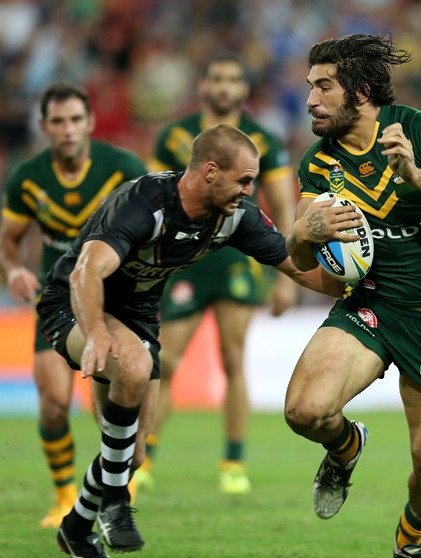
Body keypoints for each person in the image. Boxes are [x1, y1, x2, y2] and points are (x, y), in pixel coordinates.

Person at [37, 124, 342, 558]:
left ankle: (76, 529)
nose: (248, 189)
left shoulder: (235, 217)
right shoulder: (142, 203)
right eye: (243, 179)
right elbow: (87, 270)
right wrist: (98, 335)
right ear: (211, 172)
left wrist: (361, 289)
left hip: (137, 315)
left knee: (133, 454)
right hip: (74, 301)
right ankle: (115, 503)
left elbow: (297, 267)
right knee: (134, 367)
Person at [283, 34, 421, 558]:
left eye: (324, 87)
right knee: (304, 412)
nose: (310, 99)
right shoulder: (319, 163)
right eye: (309, 86)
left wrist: (416, 176)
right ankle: (346, 446)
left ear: (360, 92)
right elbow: (310, 260)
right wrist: (301, 235)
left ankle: (411, 536)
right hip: (371, 308)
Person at [142, 52, 298, 494]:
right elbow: (150, 196)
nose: (225, 86)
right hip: (182, 259)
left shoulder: (264, 139)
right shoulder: (174, 136)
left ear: (244, 89)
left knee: (233, 360)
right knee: (166, 361)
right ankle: (146, 457)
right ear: (203, 86)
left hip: (237, 257)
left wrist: (287, 273)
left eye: (233, 79)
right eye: (217, 78)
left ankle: (233, 462)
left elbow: (282, 202)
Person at [0, 82, 148, 530]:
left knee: (113, 399)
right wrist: (12, 270)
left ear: (91, 123)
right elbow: (6, 240)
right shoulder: (28, 177)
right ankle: (64, 496)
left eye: (76, 120)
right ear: (44, 127)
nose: (67, 130)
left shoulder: (122, 168)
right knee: (54, 405)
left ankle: (115, 485)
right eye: (58, 122)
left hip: (116, 303)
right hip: (58, 303)